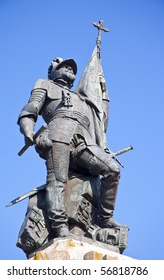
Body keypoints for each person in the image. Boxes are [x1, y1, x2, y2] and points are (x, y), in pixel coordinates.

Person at [17, 57, 123, 238]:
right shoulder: (45, 84)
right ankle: (60, 226)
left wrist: (104, 93)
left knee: (112, 169)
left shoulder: (82, 98)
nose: (69, 69)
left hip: (84, 140)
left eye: (71, 68)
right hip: (58, 134)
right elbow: (30, 110)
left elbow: (100, 122)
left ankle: (105, 217)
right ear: (52, 71)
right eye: (64, 66)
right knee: (57, 181)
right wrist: (29, 132)